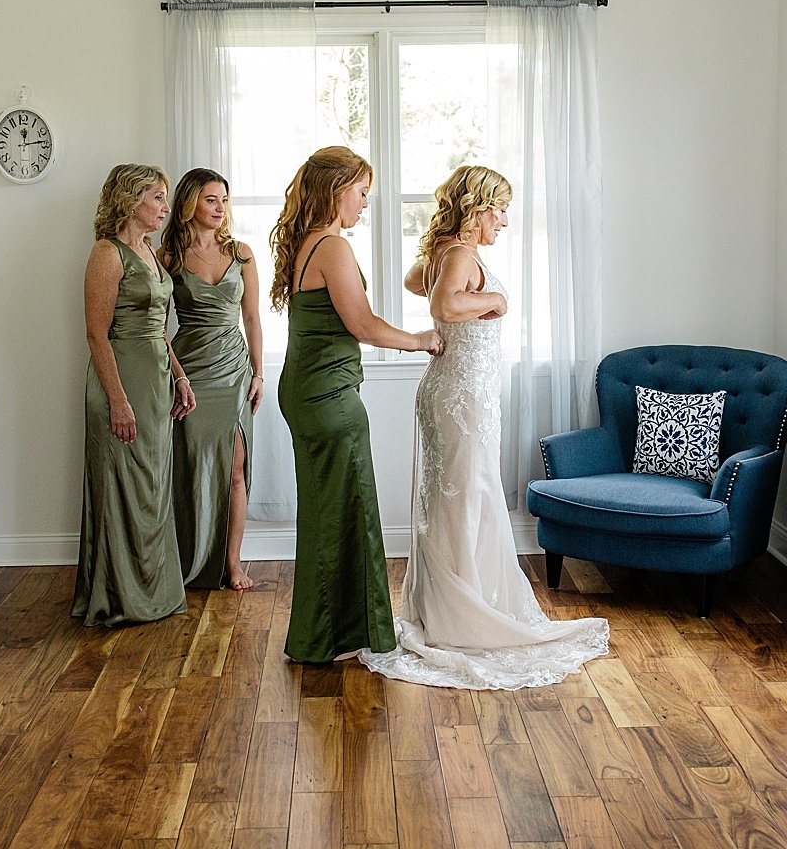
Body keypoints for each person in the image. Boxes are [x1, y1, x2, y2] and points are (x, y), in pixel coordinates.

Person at [360, 165, 608, 688]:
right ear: (477, 209)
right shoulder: (458, 254)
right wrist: (495, 300)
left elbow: (416, 280)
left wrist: (457, 279)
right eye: (499, 209)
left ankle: (459, 601)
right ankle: (461, 613)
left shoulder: (451, 253)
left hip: (462, 392)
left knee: (463, 496)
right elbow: (443, 302)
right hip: (460, 397)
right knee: (461, 497)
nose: (504, 221)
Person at [270, 146, 444, 664]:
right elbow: (363, 325)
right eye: (362, 193)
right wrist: (421, 340)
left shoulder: (307, 242)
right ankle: (331, 637)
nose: (365, 204)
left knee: (330, 513)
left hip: (306, 391)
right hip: (328, 398)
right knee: (348, 513)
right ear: (336, 189)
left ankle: (330, 632)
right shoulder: (333, 247)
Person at [72, 164, 196, 627]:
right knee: (123, 487)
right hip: (120, 383)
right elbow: (96, 334)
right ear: (130, 199)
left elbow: (161, 330)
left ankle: (155, 591)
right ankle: (120, 596)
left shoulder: (150, 251)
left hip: (155, 382)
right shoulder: (108, 253)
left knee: (153, 486)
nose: (166, 207)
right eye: (158, 197)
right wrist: (118, 401)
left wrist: (179, 378)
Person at [161, 168, 262, 591]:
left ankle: (233, 563)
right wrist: (175, 373)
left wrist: (259, 371)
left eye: (224, 200)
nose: (221, 208)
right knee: (190, 468)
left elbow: (253, 317)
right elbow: (154, 325)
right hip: (191, 371)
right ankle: (188, 559)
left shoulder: (242, 254)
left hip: (235, 372)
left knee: (234, 467)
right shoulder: (168, 257)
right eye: (210, 200)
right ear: (190, 203)